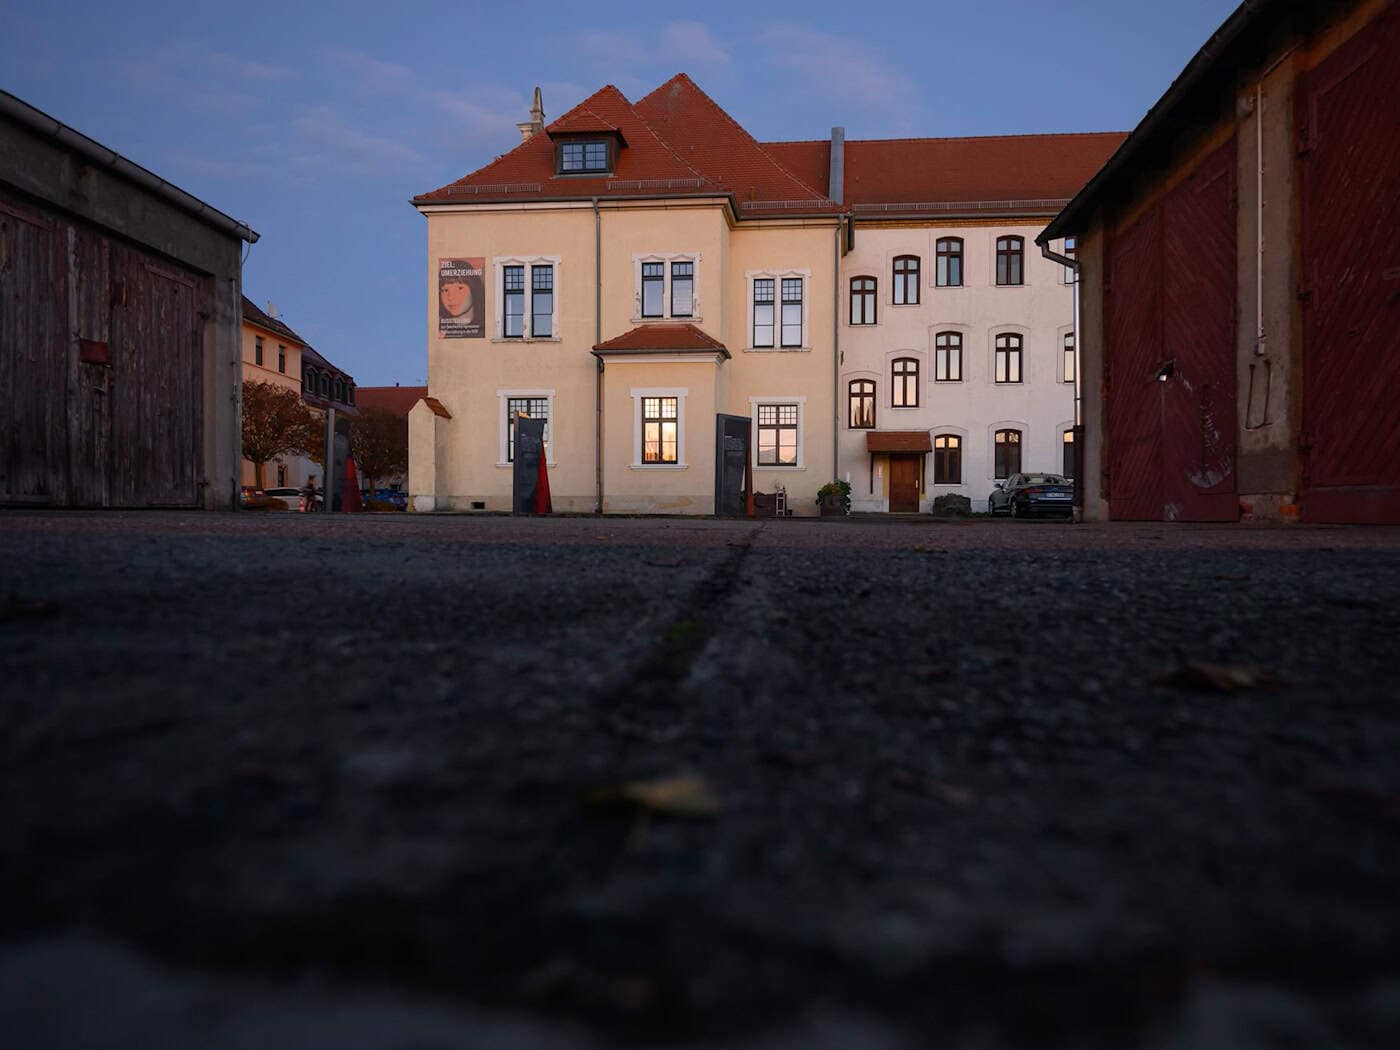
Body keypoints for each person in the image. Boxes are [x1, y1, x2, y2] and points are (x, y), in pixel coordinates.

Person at [438, 262, 484, 338]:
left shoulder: (486, 326)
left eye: (460, 288)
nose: (451, 297)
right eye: (445, 290)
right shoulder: (439, 330)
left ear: (474, 290)